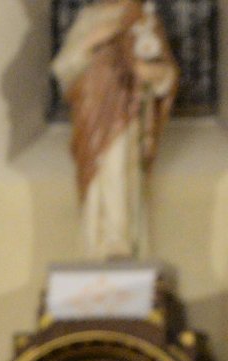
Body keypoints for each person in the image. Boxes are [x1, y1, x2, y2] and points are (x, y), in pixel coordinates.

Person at [52, 0, 178, 260]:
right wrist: (90, 42)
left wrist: (152, 73)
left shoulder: (142, 17)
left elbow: (168, 75)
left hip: (126, 110)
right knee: (97, 173)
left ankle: (119, 244)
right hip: (92, 111)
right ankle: (96, 246)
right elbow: (63, 69)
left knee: (120, 169)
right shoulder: (90, 17)